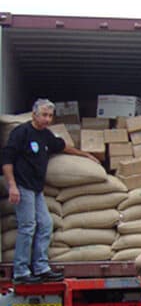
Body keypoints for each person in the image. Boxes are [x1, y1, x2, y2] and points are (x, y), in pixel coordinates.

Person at [1, 98, 99, 284]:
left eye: (50, 116)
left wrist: (85, 155)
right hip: (22, 187)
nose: (47, 119)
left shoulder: (45, 136)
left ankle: (41, 267)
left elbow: (62, 147)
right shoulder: (20, 133)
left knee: (45, 224)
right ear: (34, 115)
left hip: (37, 190)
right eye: (44, 115)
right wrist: (12, 186)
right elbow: (7, 159)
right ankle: (21, 271)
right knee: (28, 227)